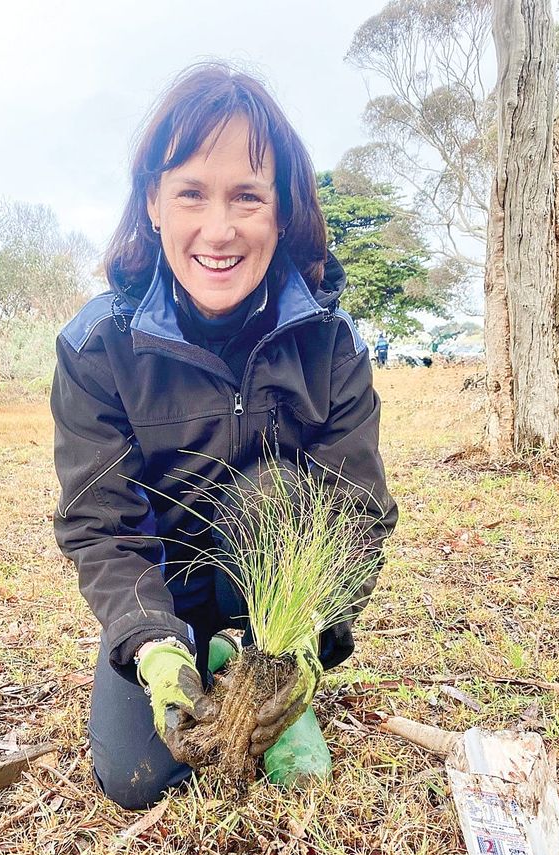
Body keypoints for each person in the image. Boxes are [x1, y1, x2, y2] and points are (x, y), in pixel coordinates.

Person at [50, 64, 398, 810]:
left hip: (274, 597)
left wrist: (309, 634)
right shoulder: (97, 348)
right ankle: (194, 654)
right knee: (137, 776)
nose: (219, 228)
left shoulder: (330, 343)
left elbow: (357, 509)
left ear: (282, 212)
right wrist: (149, 640)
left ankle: (263, 667)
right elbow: (100, 524)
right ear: (153, 204)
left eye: (248, 195)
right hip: (163, 590)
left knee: (271, 493)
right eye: (191, 194)